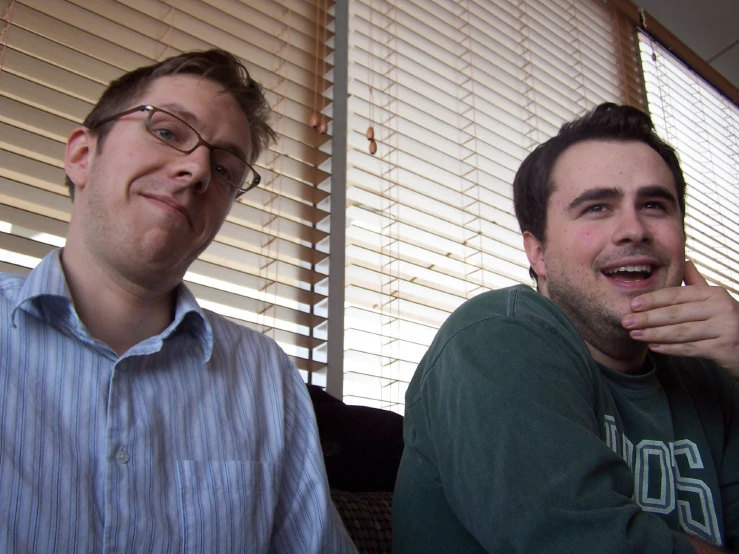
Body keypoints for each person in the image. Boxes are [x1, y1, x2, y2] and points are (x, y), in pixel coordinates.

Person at [0, 49, 356, 553]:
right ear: (82, 155)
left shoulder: (263, 376)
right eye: (167, 132)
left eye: (226, 168)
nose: (198, 171)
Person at [392, 103, 739, 553]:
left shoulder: (709, 371)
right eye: (597, 207)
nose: (633, 229)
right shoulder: (496, 337)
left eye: (654, 205)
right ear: (537, 253)